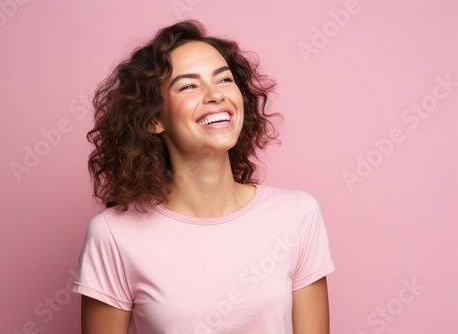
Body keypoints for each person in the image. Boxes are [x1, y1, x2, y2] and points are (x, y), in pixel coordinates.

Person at [73, 20, 335, 334]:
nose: (215, 96)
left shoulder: (297, 215)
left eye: (224, 80)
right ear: (154, 118)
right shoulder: (113, 235)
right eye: (189, 86)